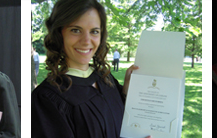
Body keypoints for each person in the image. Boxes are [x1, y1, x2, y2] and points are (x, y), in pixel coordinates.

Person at [31, 0, 141, 137]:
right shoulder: (47, 99)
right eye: (75, 30)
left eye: (94, 31)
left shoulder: (105, 78)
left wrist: (126, 92)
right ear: (59, 34)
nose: (86, 41)